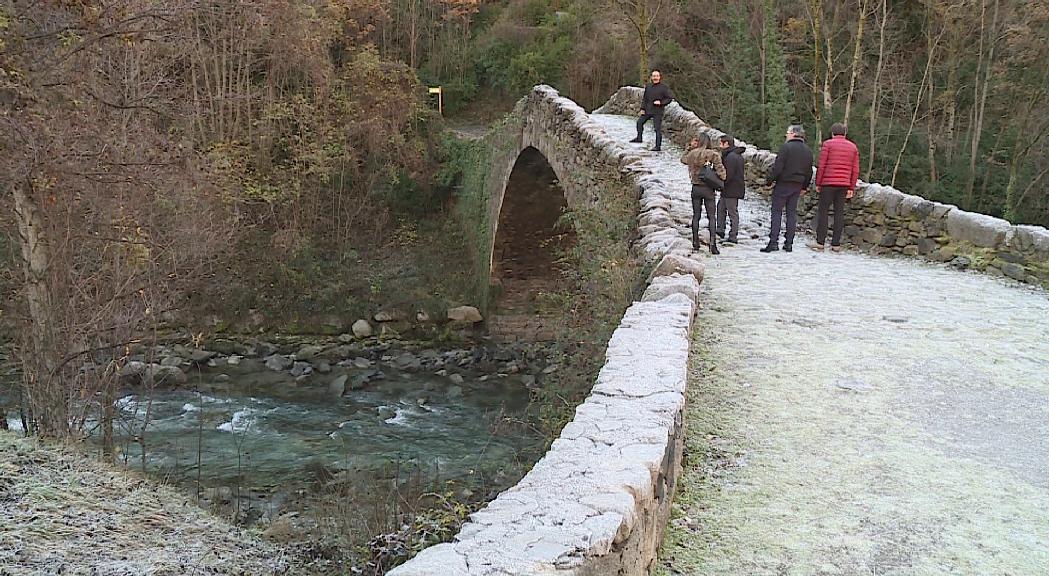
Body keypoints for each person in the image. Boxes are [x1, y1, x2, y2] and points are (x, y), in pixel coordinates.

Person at [762, 124, 813, 253]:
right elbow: (809, 171)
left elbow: (778, 167)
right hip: (797, 185)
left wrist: (769, 181)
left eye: (788, 133)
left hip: (784, 183)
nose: (786, 135)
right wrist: (805, 186)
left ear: (793, 134)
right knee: (791, 213)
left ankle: (773, 242)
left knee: (777, 212)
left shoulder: (786, 147)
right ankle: (789, 243)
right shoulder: (807, 150)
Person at [810, 122, 860, 252]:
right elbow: (855, 170)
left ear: (832, 133)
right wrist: (851, 187)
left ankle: (820, 242)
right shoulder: (853, 147)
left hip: (828, 183)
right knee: (839, 213)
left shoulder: (828, 145)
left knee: (824, 212)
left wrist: (818, 183)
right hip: (843, 184)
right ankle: (836, 244)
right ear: (845, 133)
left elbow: (822, 166)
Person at [681, 133, 727, 254]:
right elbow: (722, 174)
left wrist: (689, 147)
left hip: (695, 188)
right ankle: (712, 245)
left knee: (696, 216)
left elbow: (683, 159)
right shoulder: (713, 154)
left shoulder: (692, 154)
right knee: (711, 217)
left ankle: (695, 242)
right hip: (708, 189)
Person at [630, 70, 673, 152]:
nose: (655, 78)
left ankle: (658, 146)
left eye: (657, 76)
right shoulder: (648, 87)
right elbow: (645, 99)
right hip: (648, 110)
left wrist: (661, 102)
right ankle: (639, 138)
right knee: (639, 122)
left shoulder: (664, 88)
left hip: (658, 111)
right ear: (651, 77)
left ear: (659, 77)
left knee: (657, 129)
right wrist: (642, 108)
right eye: (654, 76)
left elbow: (669, 98)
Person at [716, 135, 746, 244]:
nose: (719, 145)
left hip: (731, 189)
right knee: (721, 208)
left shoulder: (730, 157)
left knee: (732, 212)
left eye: (721, 143)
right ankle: (720, 230)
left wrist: (719, 183)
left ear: (726, 144)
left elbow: (728, 175)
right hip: (731, 189)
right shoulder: (734, 155)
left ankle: (733, 235)